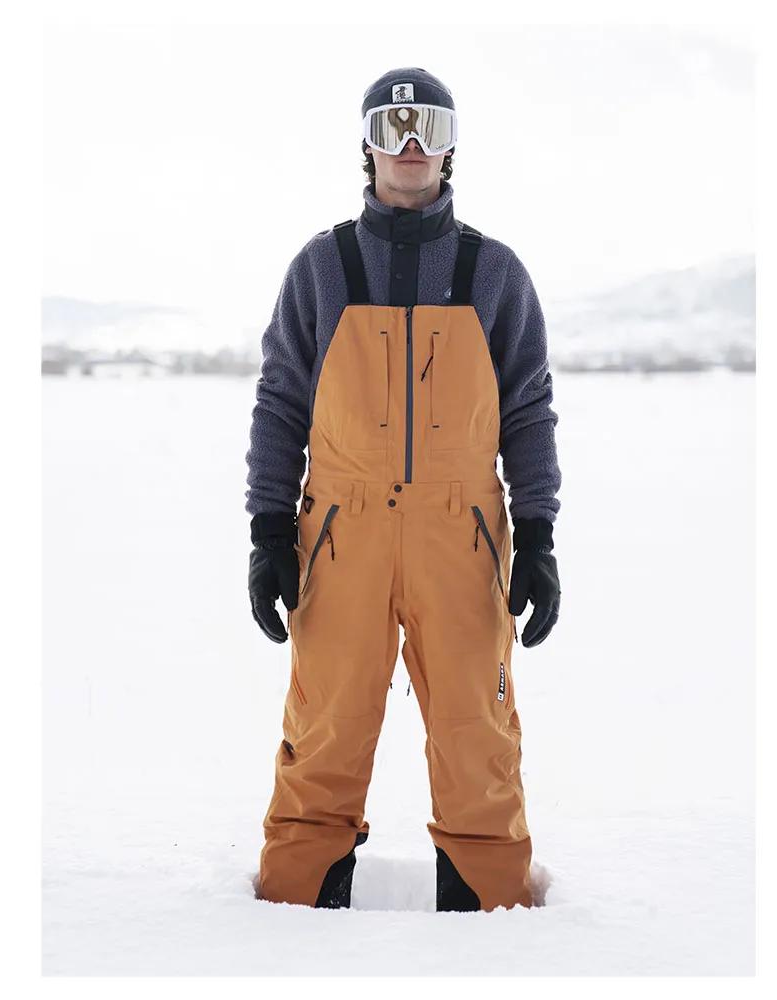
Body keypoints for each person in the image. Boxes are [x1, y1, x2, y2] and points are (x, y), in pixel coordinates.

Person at [245, 67, 562, 912]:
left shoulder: (493, 272)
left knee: (477, 732)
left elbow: (528, 410)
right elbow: (280, 403)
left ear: (452, 147)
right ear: (368, 146)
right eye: (393, 129)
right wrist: (269, 531)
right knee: (326, 730)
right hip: (341, 536)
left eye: (429, 128)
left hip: (461, 539)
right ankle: (290, 919)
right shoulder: (324, 268)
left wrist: (538, 535)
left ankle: (494, 921)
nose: (412, 146)